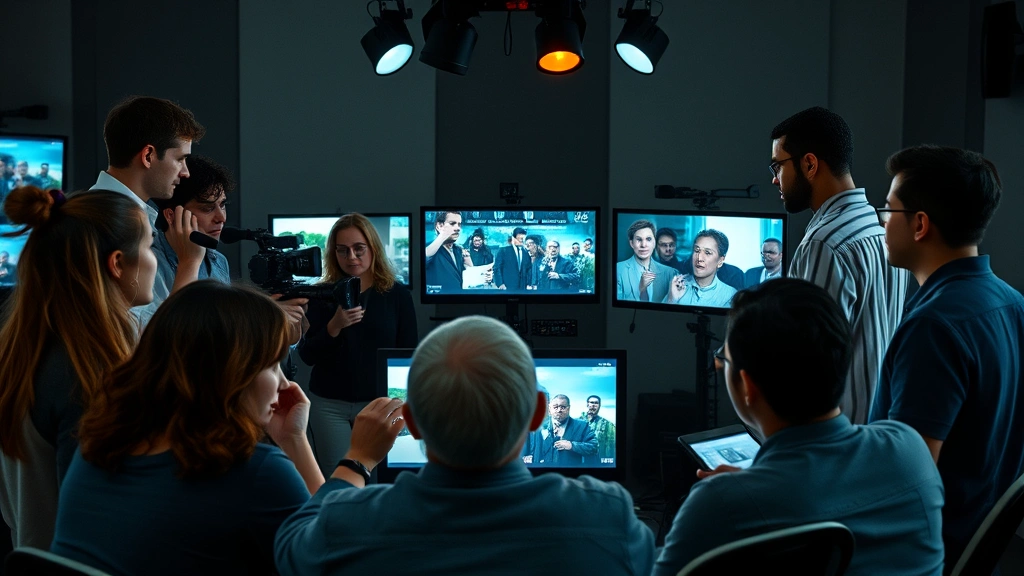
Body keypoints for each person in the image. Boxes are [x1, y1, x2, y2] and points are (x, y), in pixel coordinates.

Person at [275, 316, 654, 575]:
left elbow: (291, 546)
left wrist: (356, 460)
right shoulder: (609, 518)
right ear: (538, 413)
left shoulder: (348, 524)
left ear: (412, 423)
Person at [653, 279, 944, 576]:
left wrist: (735, 494)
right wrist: (748, 487)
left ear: (748, 386)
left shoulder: (719, 505)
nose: (719, 366)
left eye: (723, 359)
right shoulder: (911, 450)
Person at [51, 282, 324, 575]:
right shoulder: (257, 471)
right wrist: (305, 445)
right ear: (231, 372)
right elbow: (332, 558)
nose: (284, 384)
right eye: (271, 366)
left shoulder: (94, 447)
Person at [867, 145, 1024, 570]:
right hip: (977, 545)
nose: (882, 222)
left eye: (888, 210)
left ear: (920, 225)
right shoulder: (1013, 304)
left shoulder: (933, 327)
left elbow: (904, 482)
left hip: (921, 554)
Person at [0, 187, 157, 549]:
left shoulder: (25, 352)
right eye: (150, 247)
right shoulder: (89, 373)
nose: (154, 261)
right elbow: (101, 519)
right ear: (118, 264)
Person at [770, 106, 907, 424]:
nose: (774, 179)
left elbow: (810, 366)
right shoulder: (881, 228)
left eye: (777, 166)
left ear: (809, 164)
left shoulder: (824, 243)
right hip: (881, 428)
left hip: (837, 438)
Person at [299, 213, 418, 477]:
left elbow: (408, 355)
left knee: (380, 481)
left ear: (373, 248)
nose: (351, 257)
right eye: (342, 250)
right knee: (340, 479)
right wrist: (335, 326)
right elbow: (307, 355)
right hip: (330, 405)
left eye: (358, 249)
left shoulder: (397, 295)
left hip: (380, 405)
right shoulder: (322, 294)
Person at [91, 95, 209, 323]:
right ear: (148, 156)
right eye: (180, 159)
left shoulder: (102, 210)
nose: (185, 172)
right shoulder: (110, 224)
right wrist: (189, 263)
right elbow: (144, 336)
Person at [665, 229, 738, 307]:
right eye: (696, 250)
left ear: (720, 261)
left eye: (707, 253)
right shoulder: (677, 286)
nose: (699, 258)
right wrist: (672, 299)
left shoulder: (730, 295)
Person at [526, 394, 598, 466]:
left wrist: (572, 446)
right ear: (550, 408)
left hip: (569, 471)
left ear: (568, 408)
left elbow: (594, 447)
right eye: (555, 407)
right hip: (542, 471)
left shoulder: (582, 426)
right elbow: (528, 448)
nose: (559, 410)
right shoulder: (538, 425)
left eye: (563, 407)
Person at [616, 219, 677, 302]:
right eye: (639, 239)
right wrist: (641, 290)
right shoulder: (618, 270)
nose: (643, 245)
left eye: (648, 239)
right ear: (631, 243)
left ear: (654, 243)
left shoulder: (670, 273)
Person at [493, 226, 530, 290]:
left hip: (522, 288)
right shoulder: (503, 251)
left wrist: (528, 284)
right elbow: (497, 268)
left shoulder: (526, 253)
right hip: (507, 287)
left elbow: (528, 269)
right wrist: (500, 284)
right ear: (513, 238)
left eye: (523, 239)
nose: (522, 241)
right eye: (520, 239)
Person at [581, 395, 616, 464]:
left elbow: (612, 446)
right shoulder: (577, 422)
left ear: (599, 406)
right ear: (587, 404)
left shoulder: (608, 424)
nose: (593, 405)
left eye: (596, 403)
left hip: (597, 461)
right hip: (580, 461)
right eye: (591, 402)